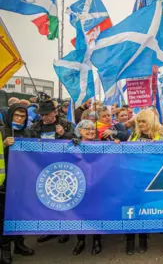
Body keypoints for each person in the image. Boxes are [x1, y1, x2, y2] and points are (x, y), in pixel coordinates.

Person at [30, 100, 74, 244]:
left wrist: (63, 134)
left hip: (63, 168)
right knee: (46, 201)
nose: (44, 117)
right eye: (41, 114)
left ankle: (64, 230)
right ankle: (49, 229)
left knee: (63, 200)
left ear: (55, 112)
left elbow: (76, 142)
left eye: (46, 114)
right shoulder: (36, 127)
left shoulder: (66, 124)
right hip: (42, 169)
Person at [125, 110, 163, 255]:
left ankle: (143, 240)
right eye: (139, 122)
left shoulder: (161, 137)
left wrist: (159, 145)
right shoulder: (134, 135)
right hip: (133, 178)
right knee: (130, 209)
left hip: (150, 179)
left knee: (143, 210)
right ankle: (129, 240)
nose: (141, 124)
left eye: (144, 121)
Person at [0, 104, 35, 263]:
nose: (20, 119)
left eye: (23, 116)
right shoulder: (2, 132)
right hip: (4, 183)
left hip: (23, 182)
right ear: (10, 116)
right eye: (17, 116)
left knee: (20, 215)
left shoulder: (28, 132)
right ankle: (5, 249)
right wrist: (4, 144)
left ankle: (19, 244)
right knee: (4, 217)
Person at [71, 120, 103, 256]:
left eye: (92, 129)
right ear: (79, 131)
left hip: (96, 184)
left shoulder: (101, 144)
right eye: (86, 129)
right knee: (79, 213)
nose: (90, 131)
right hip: (79, 184)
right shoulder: (73, 145)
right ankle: (81, 240)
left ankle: (97, 240)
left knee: (96, 212)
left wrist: (116, 143)